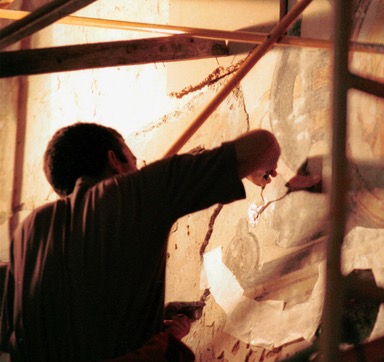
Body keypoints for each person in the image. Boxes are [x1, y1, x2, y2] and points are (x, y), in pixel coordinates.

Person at [0, 122, 281, 361]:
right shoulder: (129, 193)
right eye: (135, 161)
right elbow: (263, 146)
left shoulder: (29, 231)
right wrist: (252, 167)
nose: (138, 168)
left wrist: (150, 322)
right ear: (114, 159)